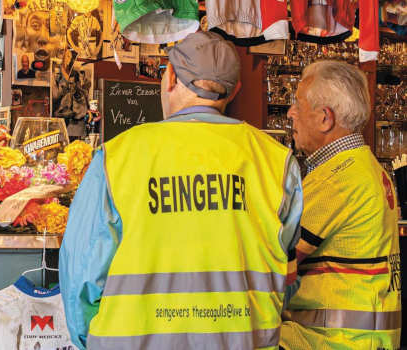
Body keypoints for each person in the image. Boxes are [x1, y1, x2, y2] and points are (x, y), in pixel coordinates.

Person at [59, 31, 303, 350]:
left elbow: (81, 272)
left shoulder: (116, 157)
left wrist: (86, 339)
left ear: (170, 76)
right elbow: (288, 276)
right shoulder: (276, 162)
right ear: (235, 90)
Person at [279, 61, 401, 349]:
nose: (290, 113)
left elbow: (274, 258)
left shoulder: (338, 179)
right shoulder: (364, 167)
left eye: (298, 104)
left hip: (332, 341)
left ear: (325, 118)